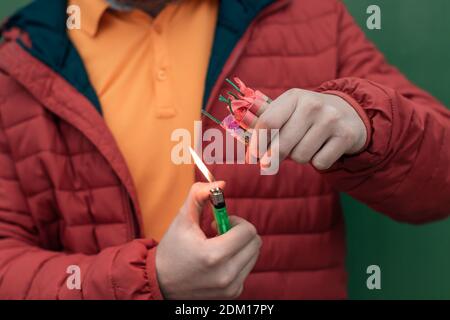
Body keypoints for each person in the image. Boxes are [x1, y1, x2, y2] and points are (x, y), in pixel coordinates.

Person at [0, 0, 449, 299]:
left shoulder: (306, 15)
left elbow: (440, 181)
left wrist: (366, 125)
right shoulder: (21, 54)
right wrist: (147, 280)